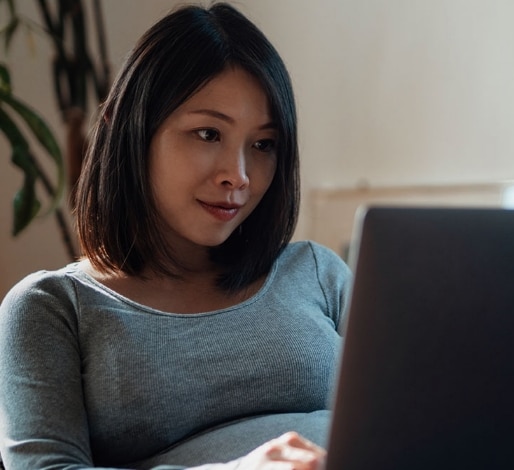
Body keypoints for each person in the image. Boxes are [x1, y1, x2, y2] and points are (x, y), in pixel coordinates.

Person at [0, 2, 351, 469]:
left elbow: (420, 409)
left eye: (263, 144)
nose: (239, 175)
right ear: (129, 132)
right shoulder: (54, 307)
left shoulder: (317, 273)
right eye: (208, 134)